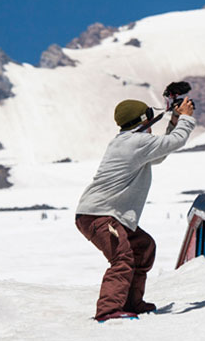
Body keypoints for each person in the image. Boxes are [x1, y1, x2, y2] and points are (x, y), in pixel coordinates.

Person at [75, 97, 196, 322]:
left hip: (105, 215)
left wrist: (175, 119)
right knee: (122, 258)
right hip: (99, 215)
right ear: (143, 122)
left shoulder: (128, 141)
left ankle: (131, 302)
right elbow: (174, 142)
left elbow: (159, 154)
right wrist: (186, 118)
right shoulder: (135, 143)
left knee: (143, 247)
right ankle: (108, 311)